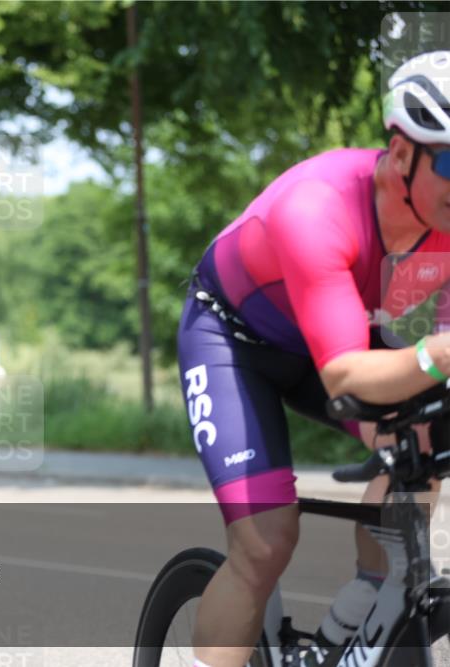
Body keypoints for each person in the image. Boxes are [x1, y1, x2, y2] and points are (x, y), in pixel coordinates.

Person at [178, 51, 450, 667]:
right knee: (265, 545)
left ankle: (360, 618)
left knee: (425, 440)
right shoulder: (318, 205)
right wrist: (438, 355)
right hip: (234, 343)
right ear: (403, 153)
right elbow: (345, 373)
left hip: (335, 334)